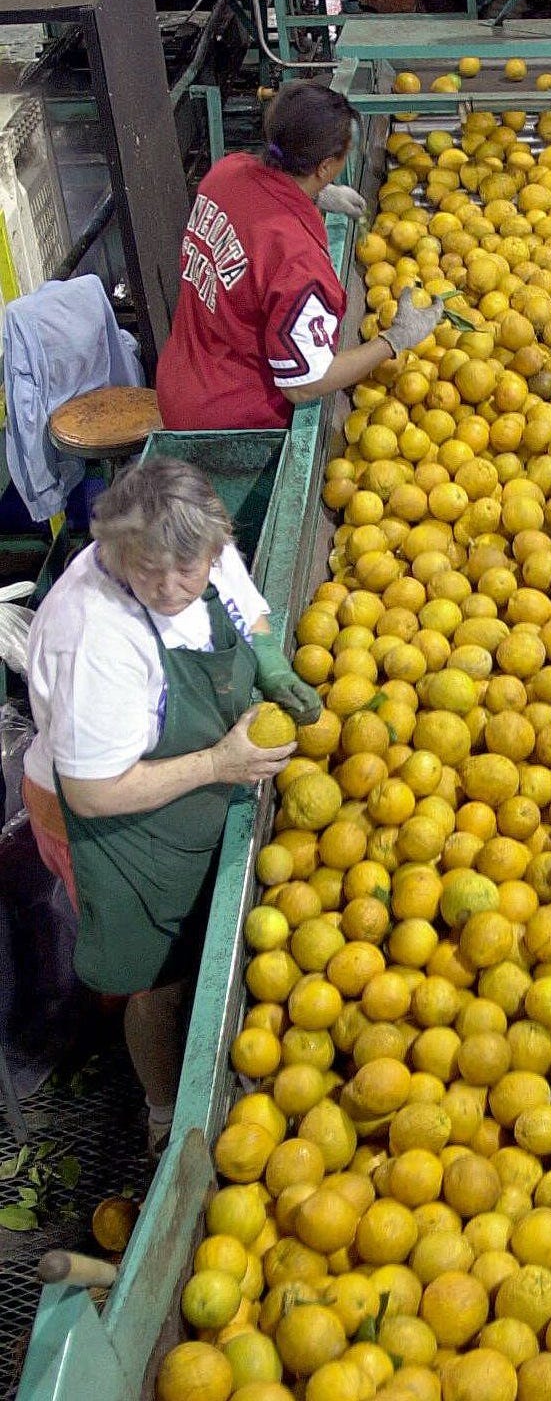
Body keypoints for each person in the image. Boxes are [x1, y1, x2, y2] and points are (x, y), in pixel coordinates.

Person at [22, 458, 314, 1149]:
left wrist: (268, 658)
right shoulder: (98, 638)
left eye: (191, 569)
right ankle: (157, 1111)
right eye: (150, 572)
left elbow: (243, 603)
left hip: (178, 784)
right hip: (104, 820)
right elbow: (94, 792)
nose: (173, 587)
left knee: (193, 948)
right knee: (155, 978)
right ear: (116, 551)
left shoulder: (194, 550)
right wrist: (220, 762)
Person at [156, 80, 444, 432]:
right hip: (228, 421)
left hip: (180, 379)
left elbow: (255, 205)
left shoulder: (226, 172)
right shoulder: (298, 262)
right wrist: (394, 340)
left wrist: (313, 195)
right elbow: (304, 383)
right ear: (324, 166)